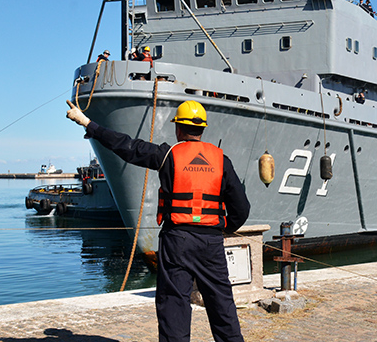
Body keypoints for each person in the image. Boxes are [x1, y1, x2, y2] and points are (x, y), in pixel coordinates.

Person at [65, 100, 250, 342]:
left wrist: (88, 123)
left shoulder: (167, 155)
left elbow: (127, 147)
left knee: (174, 306)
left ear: (178, 129)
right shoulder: (221, 160)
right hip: (210, 243)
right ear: (202, 129)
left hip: (177, 241)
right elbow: (241, 208)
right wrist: (222, 229)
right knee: (222, 305)